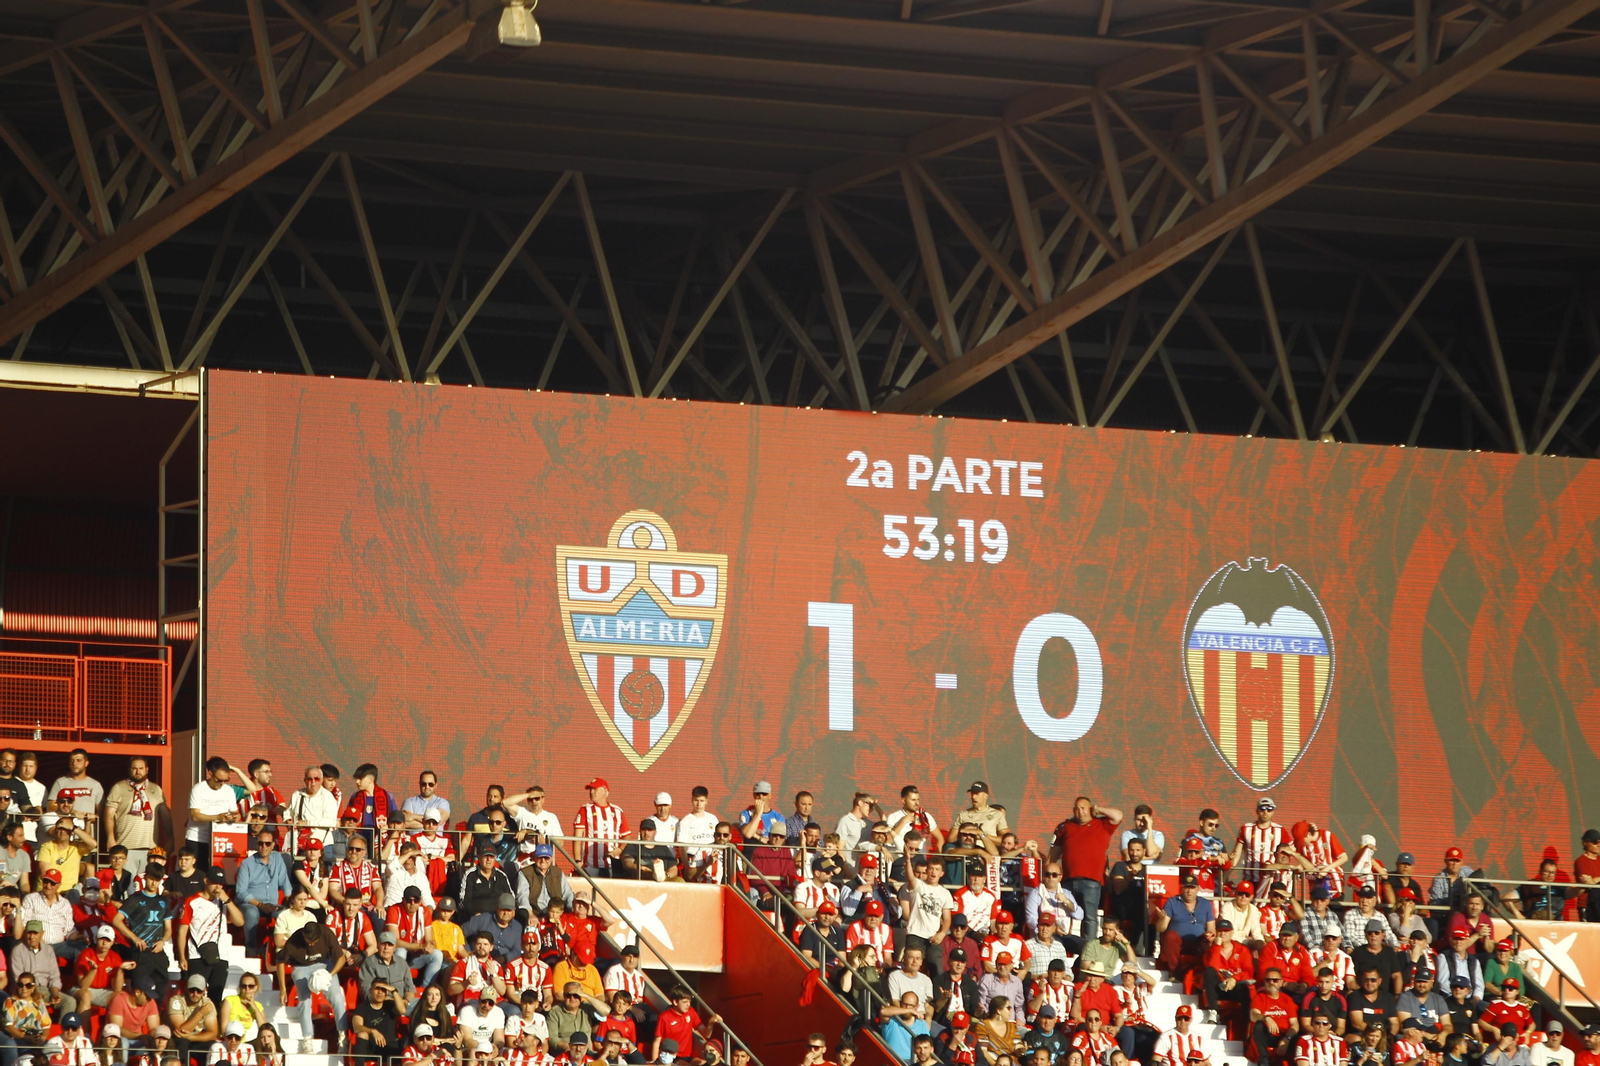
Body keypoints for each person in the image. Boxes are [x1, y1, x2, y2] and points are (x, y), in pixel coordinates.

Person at [277, 907, 347, 1054]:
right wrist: (283, 988)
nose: (312, 944)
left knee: (337, 998)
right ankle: (307, 1038)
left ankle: (343, 1035)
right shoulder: (294, 941)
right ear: (304, 935)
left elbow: (341, 958)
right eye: (309, 941)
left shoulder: (326, 933)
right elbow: (280, 961)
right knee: (304, 999)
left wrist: (330, 974)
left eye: (315, 941)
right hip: (301, 967)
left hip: (324, 964)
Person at [1052, 796, 1122, 942]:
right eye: (1076, 808)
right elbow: (1055, 852)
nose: (1080, 812)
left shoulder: (1102, 824)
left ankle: (1088, 948)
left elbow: (1118, 816)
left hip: (1091, 881)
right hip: (1067, 880)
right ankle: (1062, 945)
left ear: (1090, 809)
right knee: (1063, 914)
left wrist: (1099, 809)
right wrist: (1048, 871)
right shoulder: (1066, 827)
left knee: (1090, 917)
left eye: (1083, 808)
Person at [178, 867, 242, 1009]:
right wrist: (182, 957)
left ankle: (213, 1028)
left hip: (221, 955)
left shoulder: (224, 902)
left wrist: (228, 900)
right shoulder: (192, 901)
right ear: (206, 880)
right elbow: (182, 931)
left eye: (221, 884)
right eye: (214, 883)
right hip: (197, 955)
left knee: (216, 996)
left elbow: (239, 922)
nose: (218, 887)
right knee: (195, 995)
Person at [104, 758, 166, 876]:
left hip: (150, 848)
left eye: (141, 768)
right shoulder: (119, 788)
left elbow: (164, 816)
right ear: (129, 770)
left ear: (147, 770)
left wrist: (169, 840)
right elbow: (109, 815)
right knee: (126, 886)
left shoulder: (156, 789)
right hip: (126, 847)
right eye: (134, 768)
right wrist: (110, 838)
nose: (138, 772)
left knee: (146, 883)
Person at [1158, 874, 1216, 976]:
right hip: (1178, 943)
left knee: (1209, 939)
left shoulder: (1206, 904)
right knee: (1170, 936)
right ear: (1182, 888)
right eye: (1186, 887)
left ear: (1198, 889)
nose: (1189, 891)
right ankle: (1174, 971)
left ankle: (1206, 972)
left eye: (1192, 888)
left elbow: (1211, 928)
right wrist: (1162, 920)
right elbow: (1161, 929)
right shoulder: (1172, 902)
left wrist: (1210, 938)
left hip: (1198, 941)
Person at [574, 779, 629, 876]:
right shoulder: (585, 810)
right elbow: (577, 839)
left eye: (595, 789)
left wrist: (620, 850)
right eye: (590, 789)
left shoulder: (618, 811)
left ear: (605, 791)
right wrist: (577, 861)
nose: (591, 792)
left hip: (613, 864)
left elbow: (626, 836)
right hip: (590, 864)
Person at [1232, 799, 1288, 889]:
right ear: (1257, 811)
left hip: (1270, 880)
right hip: (1250, 879)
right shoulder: (1246, 828)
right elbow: (1236, 855)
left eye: (1269, 809)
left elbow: (1291, 852)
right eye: (1262, 809)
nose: (1265, 812)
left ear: (1273, 811)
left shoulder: (1280, 830)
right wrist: (1225, 876)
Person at [1, 968, 50, 1066]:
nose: (24, 988)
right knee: (27, 1058)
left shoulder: (39, 1003)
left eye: (28, 985)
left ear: (33, 987)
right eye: (20, 985)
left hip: (38, 1038)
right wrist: (26, 1037)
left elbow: (46, 1026)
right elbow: (8, 1026)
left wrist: (43, 1037)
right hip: (19, 1038)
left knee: (55, 1049)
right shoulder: (11, 1002)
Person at [1250, 969, 1300, 1066]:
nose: (1271, 983)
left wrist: (1287, 1038)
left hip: (1284, 1035)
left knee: (1299, 1038)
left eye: (1275, 980)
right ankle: (1264, 1062)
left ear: (1281, 982)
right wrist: (1266, 1018)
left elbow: (1295, 1024)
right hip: (1268, 1036)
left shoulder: (1287, 999)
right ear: (1265, 982)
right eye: (1268, 980)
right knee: (1259, 1026)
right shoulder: (1259, 998)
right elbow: (1253, 1015)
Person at [188, 758, 242, 847]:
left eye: (226, 780)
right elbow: (195, 816)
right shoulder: (198, 789)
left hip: (220, 838)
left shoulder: (229, 790)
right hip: (198, 837)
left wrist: (236, 816)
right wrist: (217, 817)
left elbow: (234, 811)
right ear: (210, 774)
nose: (222, 783)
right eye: (219, 780)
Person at [170, 974, 221, 1066]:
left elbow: (213, 1033)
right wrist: (200, 1013)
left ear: (205, 990)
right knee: (183, 1043)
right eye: (192, 990)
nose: (195, 994)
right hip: (175, 1039)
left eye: (199, 991)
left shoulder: (208, 1004)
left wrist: (192, 1037)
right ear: (186, 989)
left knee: (212, 1045)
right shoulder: (176, 1001)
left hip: (194, 1039)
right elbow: (181, 1031)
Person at [879, 991, 932, 1061]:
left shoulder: (921, 1024)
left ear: (917, 1007)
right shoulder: (892, 1019)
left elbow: (927, 1045)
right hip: (891, 1060)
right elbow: (883, 1012)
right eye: (904, 1004)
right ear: (900, 1003)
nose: (907, 1007)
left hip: (912, 1061)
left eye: (911, 1005)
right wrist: (909, 1010)